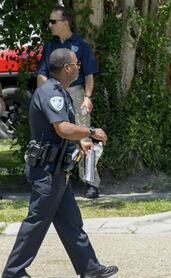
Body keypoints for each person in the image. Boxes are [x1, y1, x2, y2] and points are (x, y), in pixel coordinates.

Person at [0, 48, 118, 278]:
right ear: (66, 68)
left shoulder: (58, 91)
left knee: (70, 221)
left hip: (56, 170)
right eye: (75, 63)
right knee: (37, 221)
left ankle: (89, 268)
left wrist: (81, 141)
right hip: (46, 171)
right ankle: (13, 272)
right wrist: (91, 131)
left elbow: (62, 131)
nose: (78, 67)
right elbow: (62, 128)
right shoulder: (50, 93)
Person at [37, 6, 101, 199]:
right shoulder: (50, 45)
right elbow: (41, 73)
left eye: (53, 22)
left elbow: (89, 74)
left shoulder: (81, 45)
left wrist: (88, 97)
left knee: (84, 137)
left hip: (76, 93)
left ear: (65, 22)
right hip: (55, 93)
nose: (50, 25)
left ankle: (91, 183)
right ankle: (57, 178)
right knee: (57, 136)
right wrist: (45, 93)